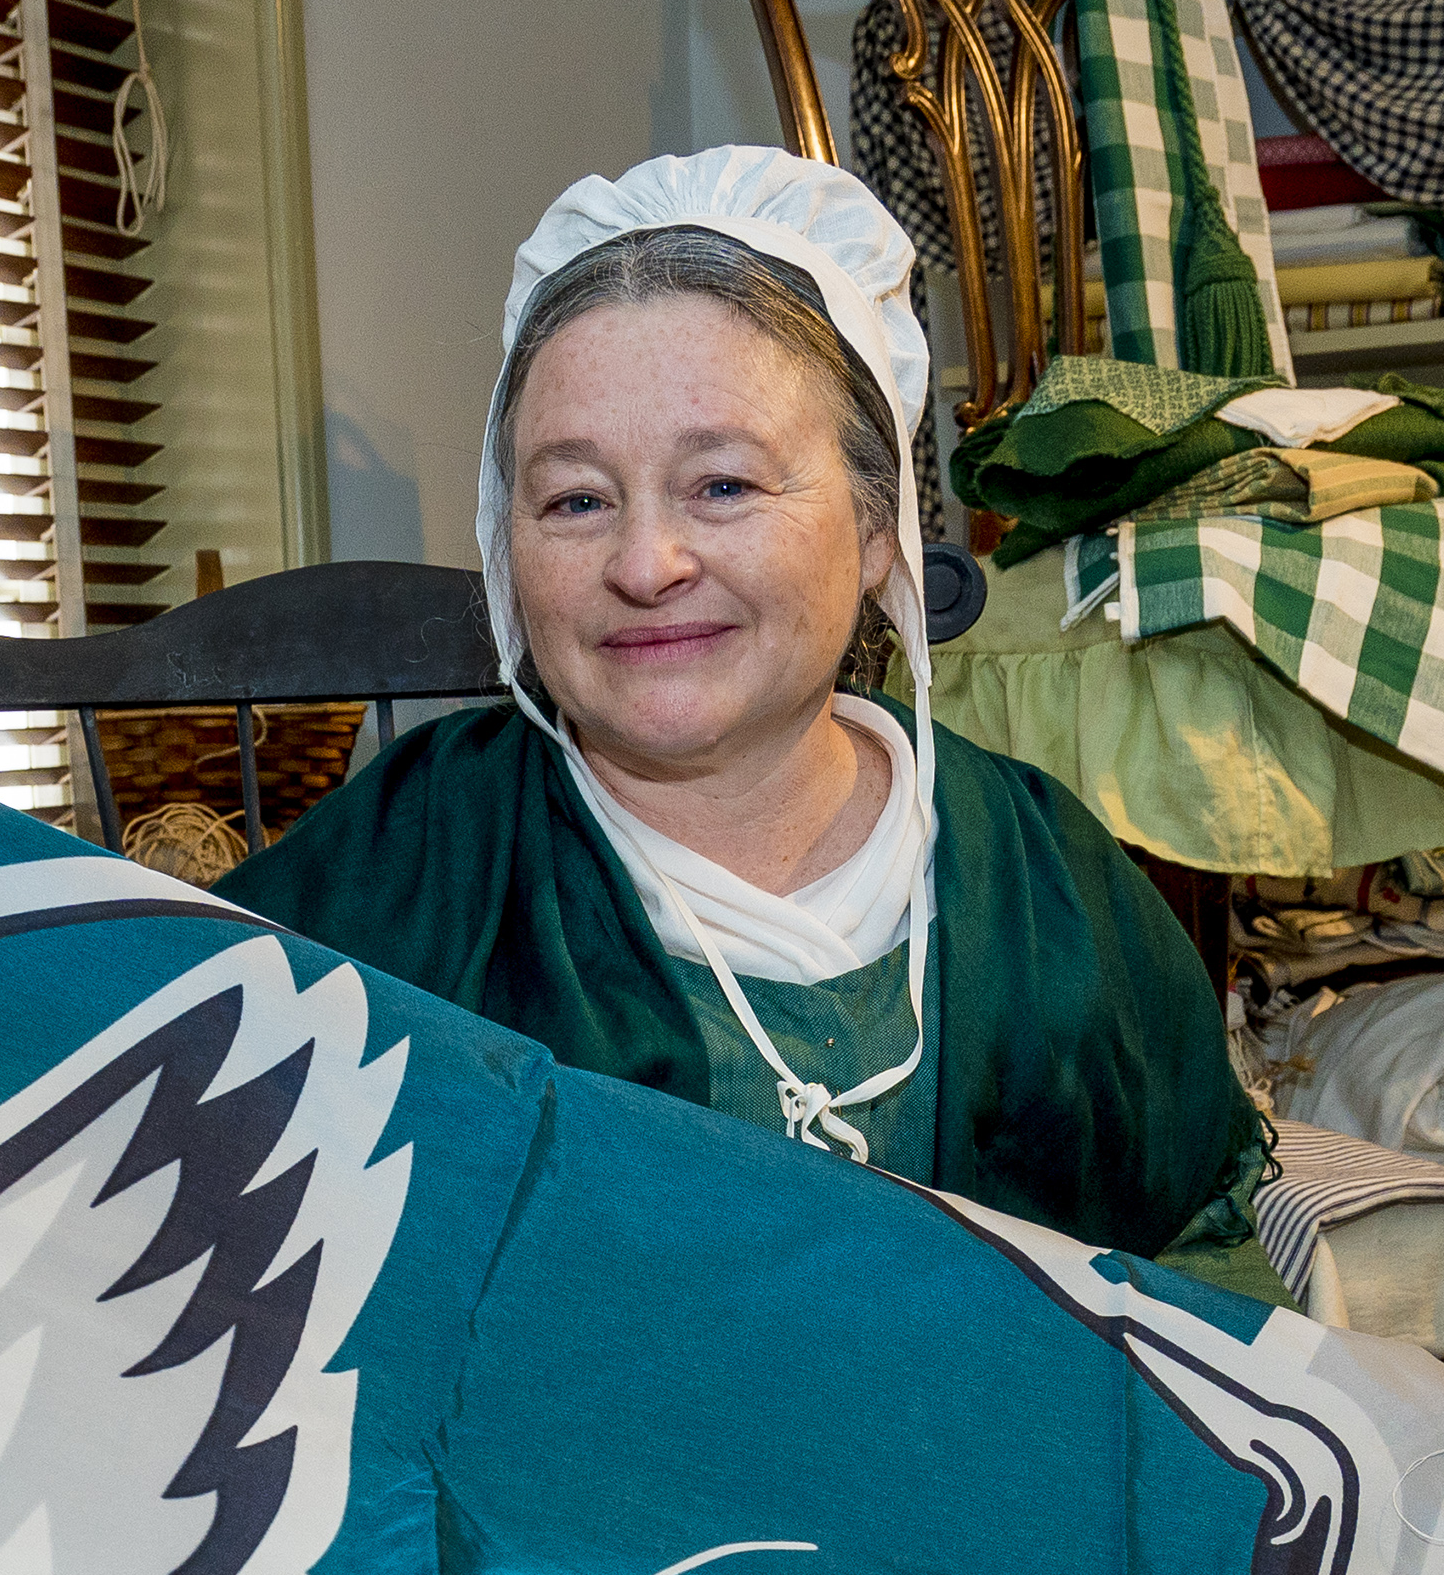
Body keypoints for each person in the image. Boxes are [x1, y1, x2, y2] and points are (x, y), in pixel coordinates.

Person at [220, 152, 1267, 1263]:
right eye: (576, 499)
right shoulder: (396, 882)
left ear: (876, 530)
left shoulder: (1050, 885)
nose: (645, 562)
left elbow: (1208, 1276)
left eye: (722, 484)